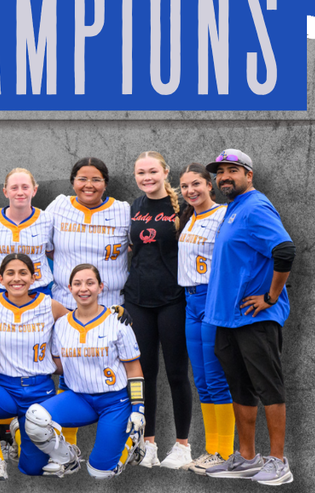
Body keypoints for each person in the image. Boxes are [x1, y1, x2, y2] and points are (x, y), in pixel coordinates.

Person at [202, 149, 295, 486]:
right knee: (240, 388)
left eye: (232, 170)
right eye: (220, 172)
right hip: (228, 318)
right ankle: (246, 457)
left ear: (249, 174)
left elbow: (284, 250)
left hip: (254, 318)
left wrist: (270, 297)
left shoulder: (255, 206)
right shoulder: (233, 209)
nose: (224, 177)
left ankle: (278, 461)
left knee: (268, 387)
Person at [24, 264, 146, 480]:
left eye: (90, 283)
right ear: (70, 288)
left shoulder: (117, 321)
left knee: (100, 473)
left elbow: (134, 368)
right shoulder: (61, 325)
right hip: (79, 398)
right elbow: (61, 367)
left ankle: (132, 443)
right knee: (35, 417)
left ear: (101, 287)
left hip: (114, 401)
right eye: (78, 283)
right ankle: (66, 457)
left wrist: (138, 407)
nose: (84, 288)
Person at [45, 157, 130, 452]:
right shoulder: (58, 207)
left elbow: (138, 250)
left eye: (96, 179)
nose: (89, 185)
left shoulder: (122, 211)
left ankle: (127, 437)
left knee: (113, 375)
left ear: (105, 183)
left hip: (109, 307)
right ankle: (67, 446)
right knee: (67, 373)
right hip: (66, 304)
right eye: (82, 178)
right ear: (72, 182)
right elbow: (38, 245)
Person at [0, 254, 70, 480]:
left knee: (32, 469)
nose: (17, 279)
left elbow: (82, 321)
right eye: (10, 273)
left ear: (34, 277)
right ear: (0, 278)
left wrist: (111, 314)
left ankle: (17, 431)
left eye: (23, 273)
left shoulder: (50, 306)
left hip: (39, 389)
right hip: (2, 387)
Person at [123, 151, 192, 469]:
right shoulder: (135, 206)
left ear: (166, 172)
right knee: (144, 374)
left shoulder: (185, 207)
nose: (146, 177)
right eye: (140, 173)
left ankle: (182, 446)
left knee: (177, 373)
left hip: (172, 299)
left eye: (152, 171)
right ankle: (148, 444)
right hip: (138, 300)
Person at [176, 163, 234, 475]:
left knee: (216, 379)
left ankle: (224, 452)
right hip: (190, 301)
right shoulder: (189, 217)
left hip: (213, 298)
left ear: (209, 185)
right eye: (184, 187)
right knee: (202, 380)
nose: (190, 191)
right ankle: (211, 450)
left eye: (196, 184)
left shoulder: (225, 214)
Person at [0, 169, 55, 295]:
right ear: (5, 192)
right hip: (1, 291)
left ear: (34, 190)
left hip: (38, 290)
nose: (20, 192)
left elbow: (53, 251)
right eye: (14, 188)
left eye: (25, 187)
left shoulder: (47, 219)